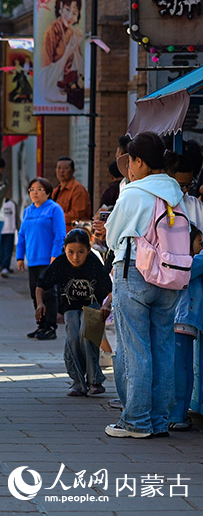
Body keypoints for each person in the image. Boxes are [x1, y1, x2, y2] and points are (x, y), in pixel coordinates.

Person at [104, 131, 187, 439]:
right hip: (170, 274)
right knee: (163, 347)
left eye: (130, 162)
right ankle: (160, 420)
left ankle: (136, 421)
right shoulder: (175, 192)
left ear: (139, 161)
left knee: (136, 348)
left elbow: (113, 236)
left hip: (134, 272)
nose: (129, 168)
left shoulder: (134, 193)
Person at [36, 229, 112, 396]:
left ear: (89, 249)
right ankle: (77, 381)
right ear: (64, 249)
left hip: (93, 304)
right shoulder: (61, 262)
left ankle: (95, 380)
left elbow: (111, 288)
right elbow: (41, 284)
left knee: (88, 335)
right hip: (70, 307)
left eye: (81, 252)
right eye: (71, 252)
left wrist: (106, 305)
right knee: (72, 337)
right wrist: (40, 304)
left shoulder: (93, 262)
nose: (75, 257)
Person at [17, 177, 66, 340]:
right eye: (32, 190)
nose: (35, 193)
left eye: (39, 189)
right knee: (34, 293)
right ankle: (41, 325)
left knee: (49, 294)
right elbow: (22, 235)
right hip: (32, 259)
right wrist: (19, 257)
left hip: (49, 260)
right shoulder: (28, 211)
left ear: (48, 192)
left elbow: (60, 235)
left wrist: (55, 256)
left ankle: (51, 327)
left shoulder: (54, 209)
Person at [171, 225, 203, 431]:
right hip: (184, 318)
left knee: (180, 367)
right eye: (200, 242)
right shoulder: (192, 262)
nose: (201, 247)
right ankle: (179, 412)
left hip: (181, 318)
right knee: (183, 367)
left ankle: (178, 413)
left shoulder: (192, 262)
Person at [39, 0, 85, 109]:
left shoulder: (73, 33)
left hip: (70, 84)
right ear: (61, 7)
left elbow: (80, 67)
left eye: (74, 13)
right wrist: (67, 52)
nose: (70, 17)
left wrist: (75, 48)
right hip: (52, 83)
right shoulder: (51, 31)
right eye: (67, 9)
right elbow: (45, 72)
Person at [52, 157, 91, 233]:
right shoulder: (56, 190)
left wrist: (55, 217)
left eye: (65, 168)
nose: (61, 171)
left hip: (74, 235)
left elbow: (76, 215)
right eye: (59, 168)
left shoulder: (78, 190)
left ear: (73, 171)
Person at [0, 196, 18, 277]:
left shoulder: (12, 204)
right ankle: (0, 265)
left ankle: (6, 267)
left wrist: (15, 228)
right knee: (0, 250)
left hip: (10, 231)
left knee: (8, 250)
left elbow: (15, 217)